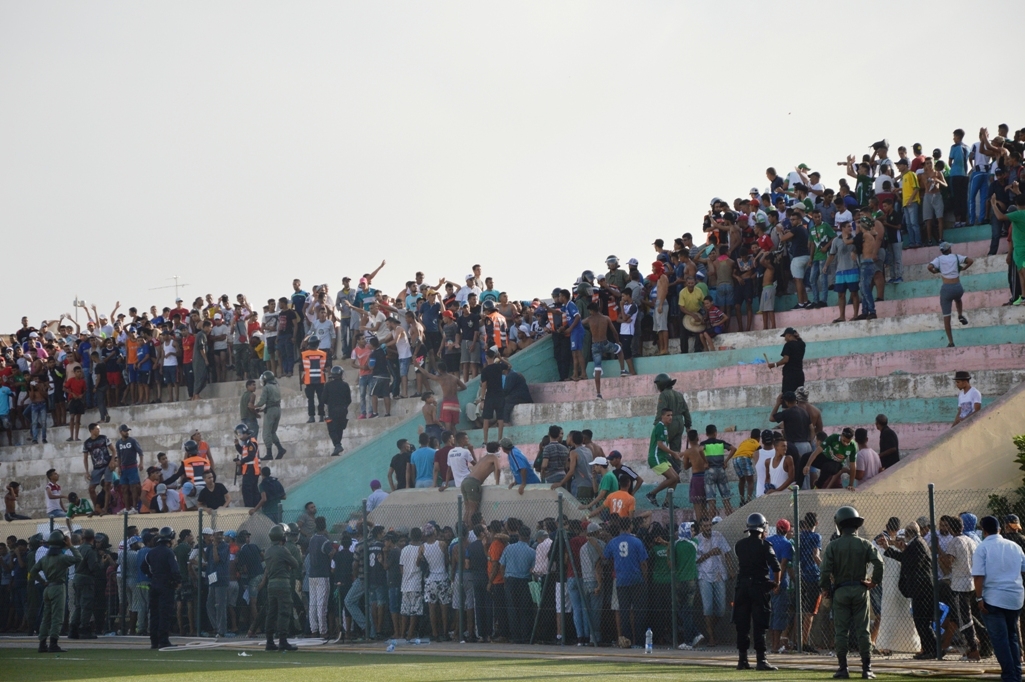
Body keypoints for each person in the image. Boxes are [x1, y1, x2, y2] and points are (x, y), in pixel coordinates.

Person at [820, 506, 884, 679]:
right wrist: (874, 582)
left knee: (841, 631)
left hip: (840, 591)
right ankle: (867, 669)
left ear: (839, 525)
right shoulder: (865, 544)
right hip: (860, 590)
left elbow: (825, 570)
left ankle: (843, 668)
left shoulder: (833, 546)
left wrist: (825, 587)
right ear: (856, 525)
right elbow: (879, 563)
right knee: (863, 629)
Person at [973, 515, 1025, 682]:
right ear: (1000, 529)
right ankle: (1016, 673)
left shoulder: (982, 548)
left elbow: (978, 577)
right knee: (1012, 636)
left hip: (993, 597)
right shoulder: (1015, 546)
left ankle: (1009, 675)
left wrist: (978, 598)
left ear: (984, 530)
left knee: (1000, 639)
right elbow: (1022, 569)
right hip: (1015, 597)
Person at [732, 513, 780, 671]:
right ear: (763, 527)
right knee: (760, 624)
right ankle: (761, 659)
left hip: (742, 588)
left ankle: (742, 659)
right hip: (759, 587)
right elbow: (776, 567)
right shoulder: (765, 545)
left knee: (742, 624)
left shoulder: (740, 544)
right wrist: (776, 583)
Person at [29, 530, 81, 653]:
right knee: (57, 617)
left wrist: (43, 582)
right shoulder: (62, 558)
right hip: (58, 587)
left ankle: (42, 644)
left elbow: (33, 572)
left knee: (46, 617)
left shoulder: (44, 559)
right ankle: (53, 644)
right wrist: (71, 546)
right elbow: (79, 558)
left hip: (47, 587)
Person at [260, 524, 300, 651]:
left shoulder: (268, 551)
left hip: (271, 584)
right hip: (283, 584)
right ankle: (283, 641)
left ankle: (269, 641)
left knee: (271, 613)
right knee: (284, 611)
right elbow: (295, 563)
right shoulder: (283, 550)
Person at [928, 242, 974, 347]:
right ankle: (960, 314)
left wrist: (935, 272)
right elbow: (970, 261)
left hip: (946, 288)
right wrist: (964, 268)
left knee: (946, 317)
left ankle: (951, 342)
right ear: (949, 249)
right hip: (958, 287)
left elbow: (929, 267)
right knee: (958, 298)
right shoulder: (956, 257)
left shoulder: (938, 259)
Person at [142, 527, 180, 649]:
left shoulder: (151, 552)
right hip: (166, 585)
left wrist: (151, 575)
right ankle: (163, 640)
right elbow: (175, 570)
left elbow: (144, 567)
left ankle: (154, 641)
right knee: (165, 613)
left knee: (154, 613)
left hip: (154, 584)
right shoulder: (169, 552)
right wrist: (177, 582)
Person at [645, 408, 681, 508]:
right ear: (663, 416)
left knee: (676, 478)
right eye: (668, 415)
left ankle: (667, 502)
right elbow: (660, 444)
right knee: (673, 477)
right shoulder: (660, 426)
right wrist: (673, 453)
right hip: (656, 457)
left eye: (671, 415)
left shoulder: (665, 428)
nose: (670, 417)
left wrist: (674, 454)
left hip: (662, 457)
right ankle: (651, 494)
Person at [460, 445, 501, 528]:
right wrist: (497, 483)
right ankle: (470, 530)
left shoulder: (484, 458)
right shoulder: (494, 457)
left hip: (465, 481)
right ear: (496, 450)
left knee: (467, 509)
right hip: (473, 483)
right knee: (473, 510)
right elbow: (498, 469)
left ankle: (463, 531)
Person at [256, 370, 286, 460]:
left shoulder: (266, 387)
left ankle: (269, 453)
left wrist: (254, 406)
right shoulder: (276, 385)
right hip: (277, 409)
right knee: (273, 432)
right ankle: (280, 449)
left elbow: (262, 402)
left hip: (270, 411)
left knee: (266, 433)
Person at [324, 365, 352, 456]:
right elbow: (349, 400)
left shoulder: (328, 385)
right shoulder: (345, 385)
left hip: (332, 411)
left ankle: (337, 445)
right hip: (343, 411)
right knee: (340, 429)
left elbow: (323, 399)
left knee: (332, 430)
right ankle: (337, 447)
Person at [767, 328, 805, 394]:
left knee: (787, 397)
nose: (785, 339)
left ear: (789, 335)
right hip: (799, 374)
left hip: (790, 375)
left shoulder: (788, 345)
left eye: (785, 336)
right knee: (800, 398)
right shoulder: (802, 344)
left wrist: (774, 365)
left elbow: (785, 360)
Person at [300, 335, 328, 423]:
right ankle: (321, 416)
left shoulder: (304, 354)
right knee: (321, 399)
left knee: (310, 400)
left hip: (309, 380)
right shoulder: (323, 354)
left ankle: (311, 417)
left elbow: (301, 368)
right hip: (320, 380)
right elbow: (326, 367)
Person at [234, 423, 261, 507]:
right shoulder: (246, 442)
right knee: (252, 490)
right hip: (248, 469)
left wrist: (241, 462)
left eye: (240, 434)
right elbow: (243, 452)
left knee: (247, 489)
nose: (240, 436)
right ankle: (255, 506)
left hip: (251, 469)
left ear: (245, 433)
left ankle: (249, 507)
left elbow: (251, 456)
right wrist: (237, 445)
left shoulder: (251, 442)